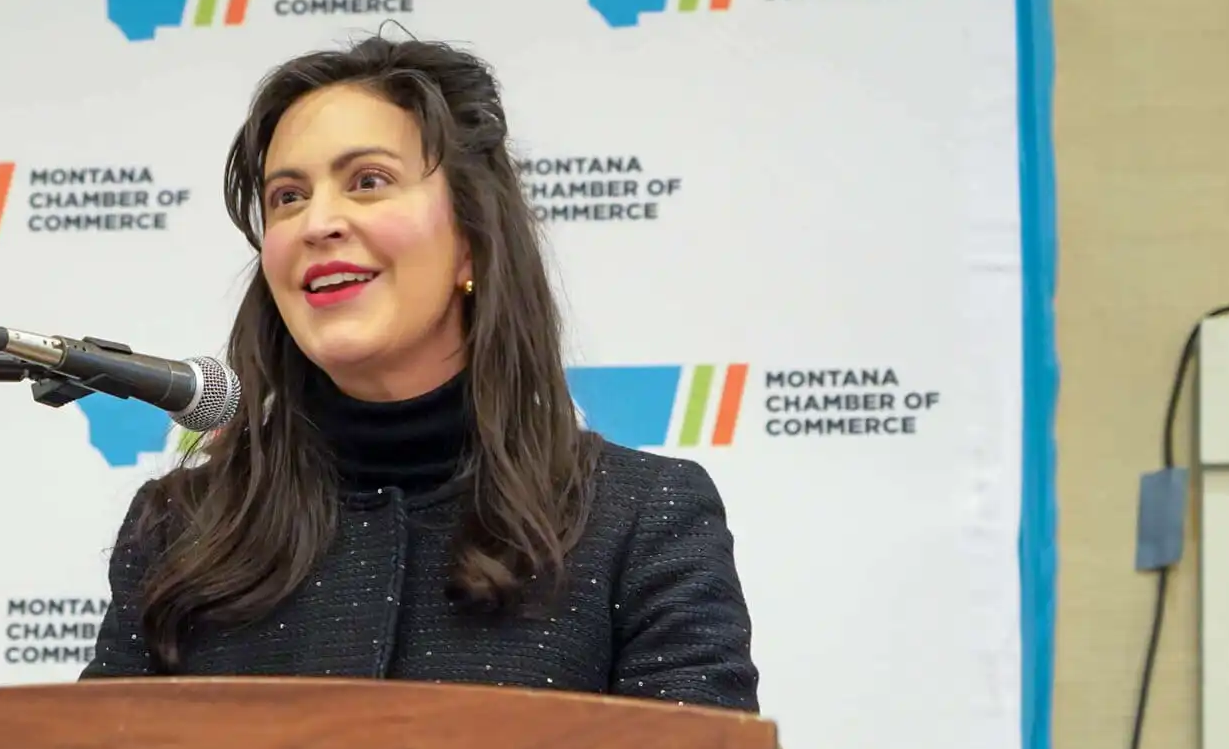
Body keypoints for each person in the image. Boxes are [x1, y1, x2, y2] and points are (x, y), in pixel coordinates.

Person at [79, 35, 759, 713]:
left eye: (367, 181)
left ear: (471, 241)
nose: (317, 222)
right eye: (287, 196)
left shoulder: (640, 518)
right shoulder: (181, 529)